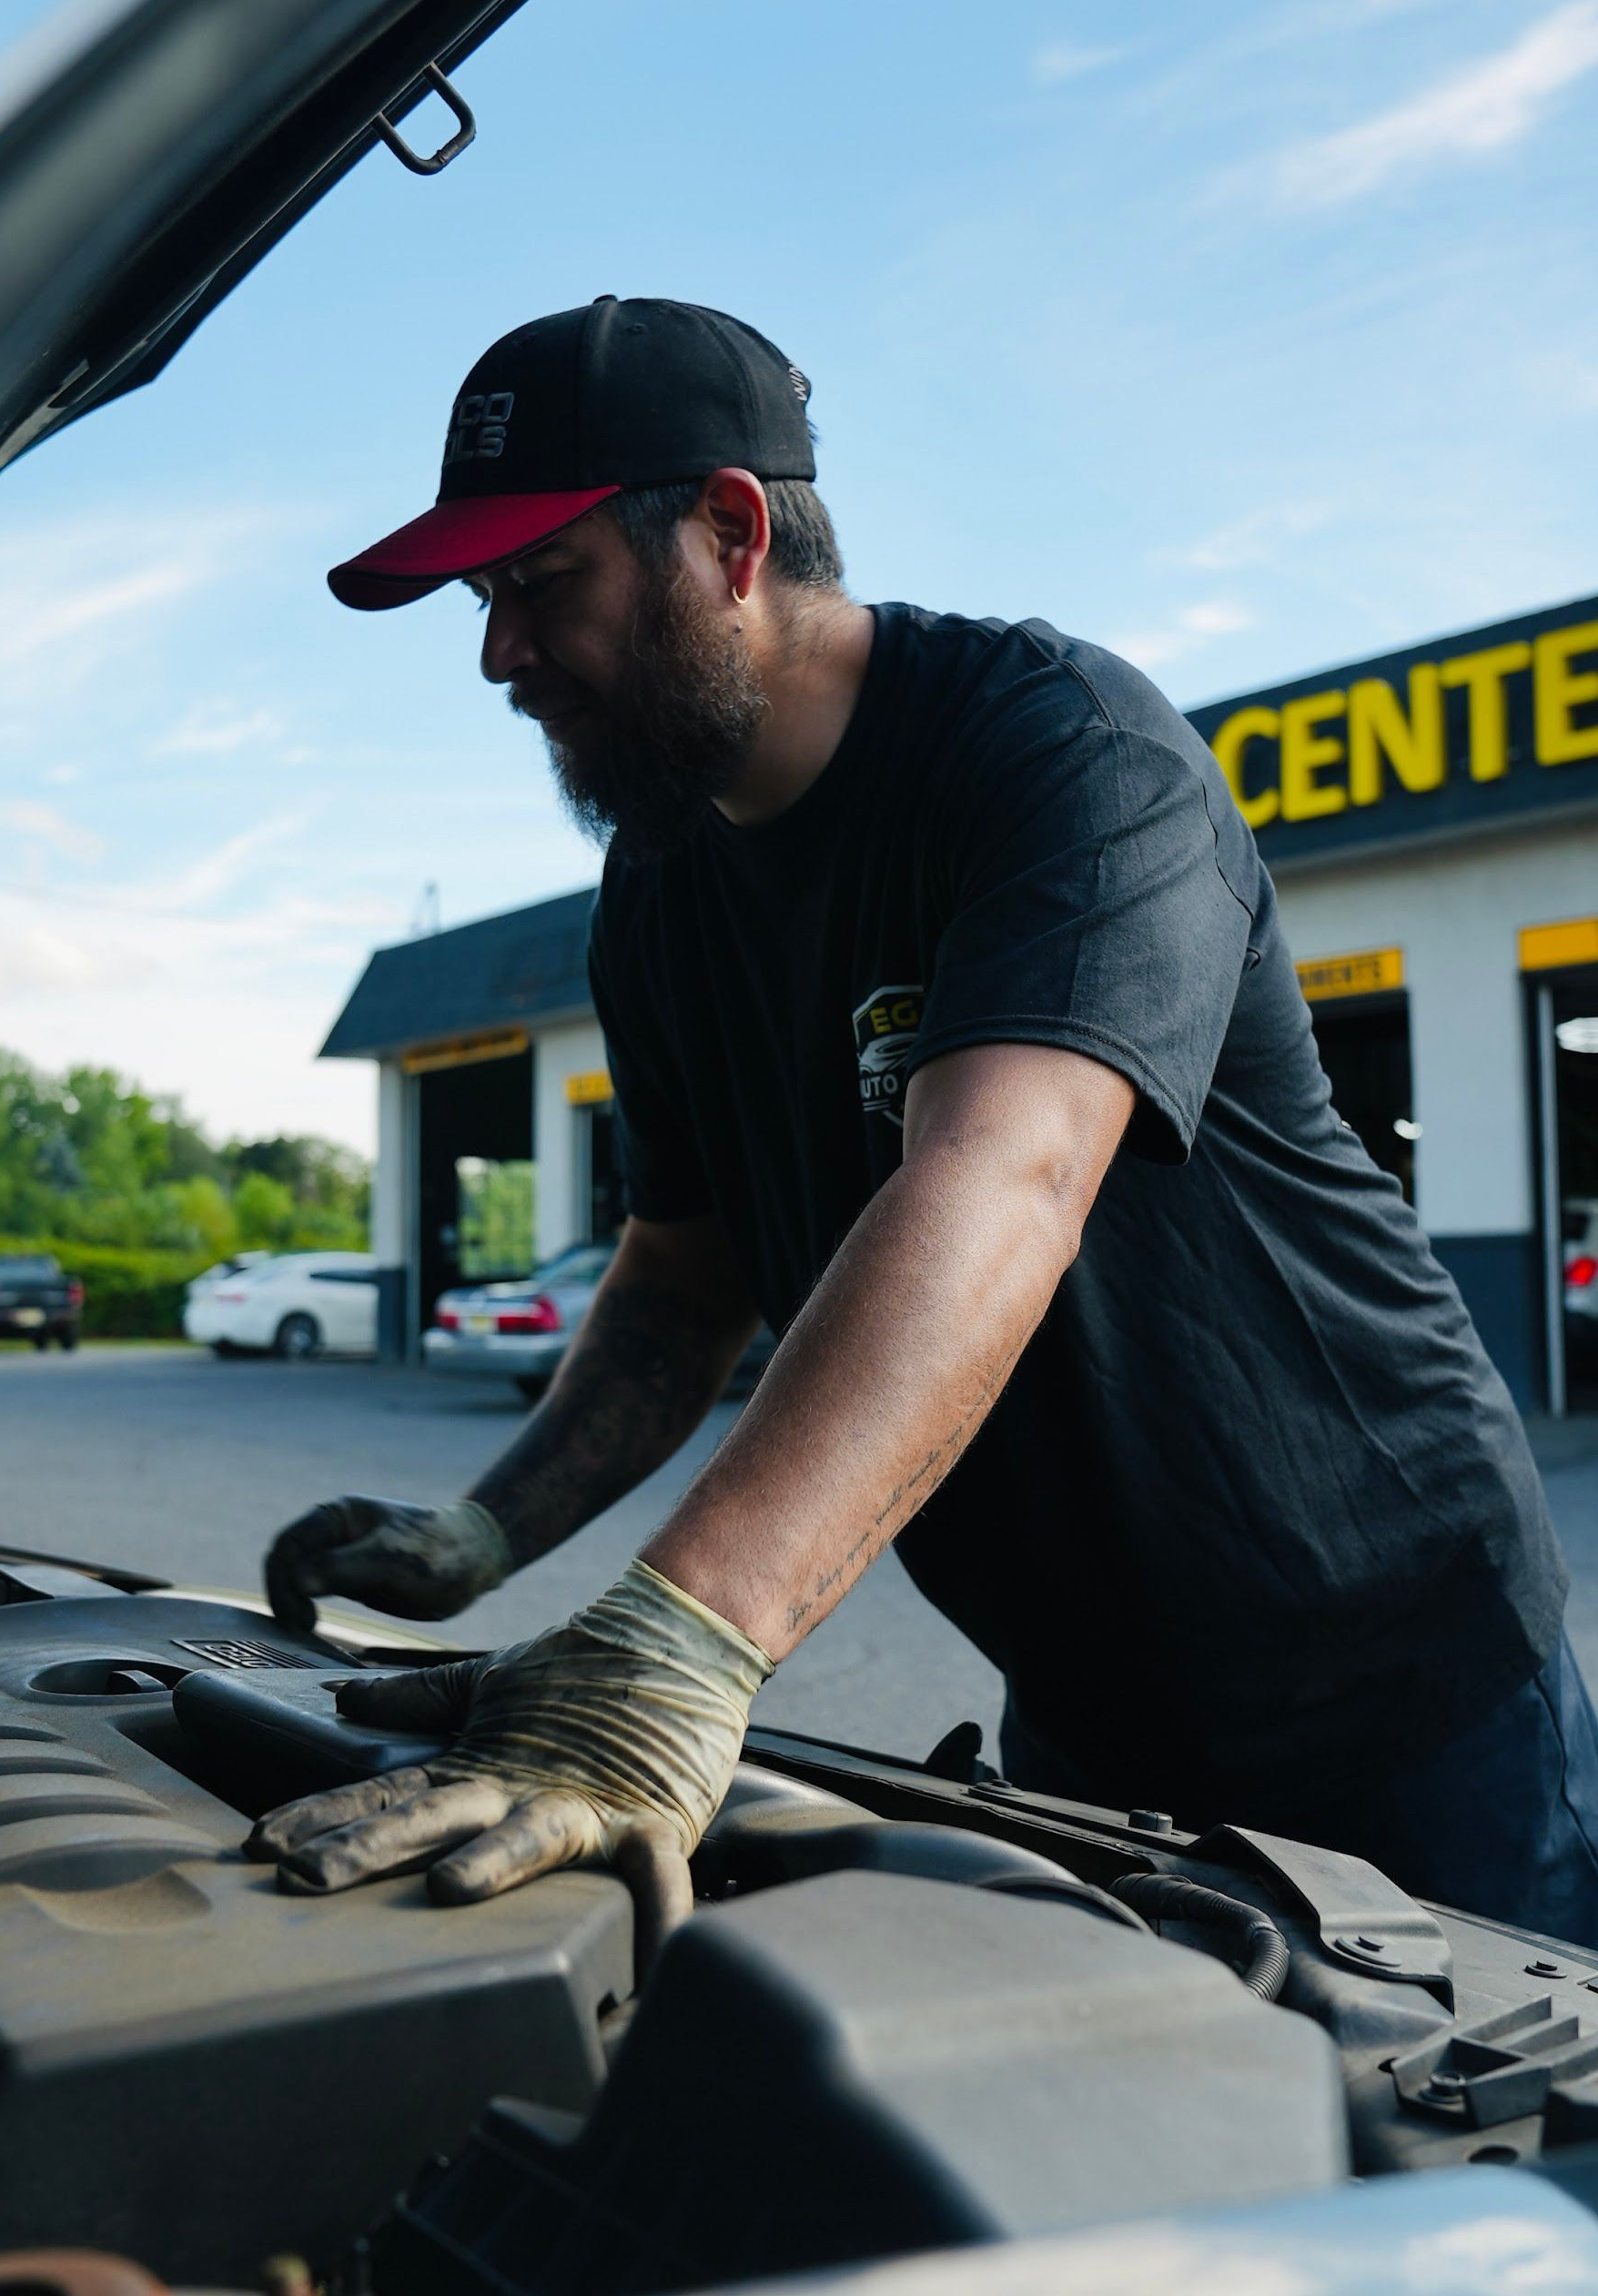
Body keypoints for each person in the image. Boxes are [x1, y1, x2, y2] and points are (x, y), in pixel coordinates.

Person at [251, 295, 1595, 1949]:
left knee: (1495, 2175)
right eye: (483, 599)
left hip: (1397, 1677)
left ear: (730, 535)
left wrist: (677, 1650)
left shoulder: (1067, 758)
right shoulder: (658, 894)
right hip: (1092, 1714)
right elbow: (682, 1291)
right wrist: (483, 1534)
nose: (500, 654)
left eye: (543, 584)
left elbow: (1005, 1176)